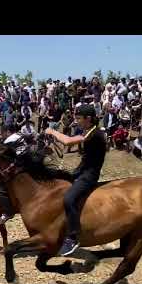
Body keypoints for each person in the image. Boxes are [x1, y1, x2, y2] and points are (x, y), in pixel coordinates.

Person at [45, 104, 106, 256]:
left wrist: (52, 131)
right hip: (81, 171)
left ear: (89, 119)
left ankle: (73, 237)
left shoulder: (95, 134)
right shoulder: (89, 131)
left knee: (69, 199)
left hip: (89, 175)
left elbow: (67, 141)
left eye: (79, 118)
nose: (76, 121)